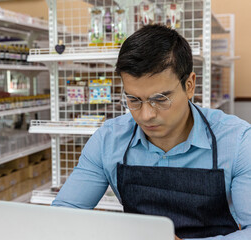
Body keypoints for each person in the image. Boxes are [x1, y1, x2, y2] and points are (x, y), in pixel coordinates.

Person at [52, 24, 251, 240]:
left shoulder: (237, 141)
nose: (146, 115)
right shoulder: (107, 140)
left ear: (190, 85)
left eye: (160, 99)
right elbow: (63, 216)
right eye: (133, 99)